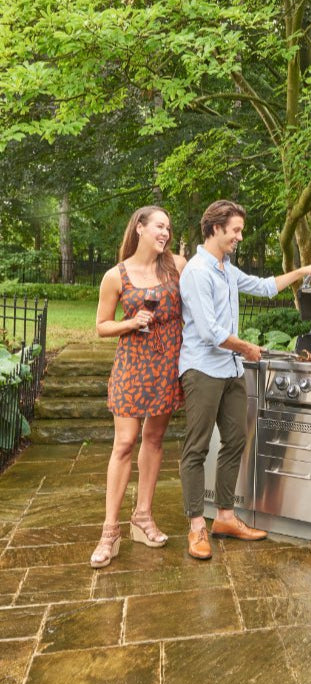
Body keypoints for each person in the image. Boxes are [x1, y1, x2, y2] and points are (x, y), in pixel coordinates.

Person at [179, 199, 311, 560]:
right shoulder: (197, 272)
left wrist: (302, 270)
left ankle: (225, 517)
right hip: (202, 370)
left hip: (231, 370)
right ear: (216, 229)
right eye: (235, 230)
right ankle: (196, 527)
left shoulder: (226, 269)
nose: (239, 237)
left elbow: (264, 286)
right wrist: (246, 347)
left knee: (235, 441)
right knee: (197, 448)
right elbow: (210, 332)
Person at [91, 206, 187, 568]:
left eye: (168, 227)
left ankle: (143, 516)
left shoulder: (176, 266)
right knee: (125, 442)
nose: (165, 232)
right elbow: (102, 325)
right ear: (140, 228)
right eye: (159, 226)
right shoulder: (115, 276)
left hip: (166, 365)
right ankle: (110, 530)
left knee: (155, 439)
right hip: (132, 366)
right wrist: (130, 322)